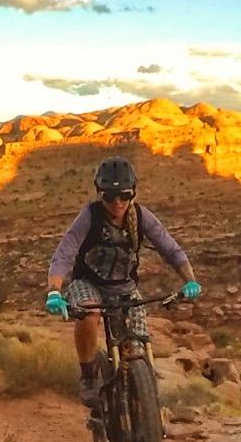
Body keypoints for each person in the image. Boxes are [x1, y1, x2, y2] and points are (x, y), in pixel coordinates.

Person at [45, 155, 201, 405]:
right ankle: (88, 376)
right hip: (89, 283)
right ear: (100, 194)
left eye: (124, 196)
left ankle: (146, 409)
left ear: (133, 194)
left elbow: (170, 249)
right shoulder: (90, 216)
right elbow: (64, 254)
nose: (117, 202)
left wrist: (190, 280)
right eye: (109, 196)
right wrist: (54, 291)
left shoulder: (140, 216)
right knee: (89, 313)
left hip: (124, 287)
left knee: (138, 344)